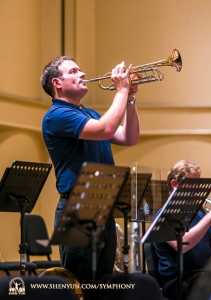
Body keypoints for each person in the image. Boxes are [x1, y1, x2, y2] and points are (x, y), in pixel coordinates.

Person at [40, 56, 140, 291]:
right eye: (74, 71)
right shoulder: (56, 115)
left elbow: (129, 137)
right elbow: (106, 129)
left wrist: (130, 99)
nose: (82, 73)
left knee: (103, 286)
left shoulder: (91, 113)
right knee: (79, 286)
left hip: (102, 205)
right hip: (77, 208)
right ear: (57, 82)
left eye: (81, 69)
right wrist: (121, 91)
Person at [154, 159, 211, 300]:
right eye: (193, 185)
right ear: (175, 185)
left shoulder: (198, 214)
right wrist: (210, 217)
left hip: (203, 276)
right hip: (178, 282)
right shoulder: (164, 215)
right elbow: (183, 245)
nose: (198, 191)